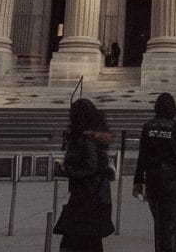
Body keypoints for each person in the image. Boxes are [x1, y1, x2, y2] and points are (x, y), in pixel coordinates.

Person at [133, 92, 176, 252]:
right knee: (171, 226)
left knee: (160, 225)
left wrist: (138, 181)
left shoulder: (148, 127)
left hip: (153, 180)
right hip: (174, 181)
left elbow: (142, 156)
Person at [54, 98, 114, 251]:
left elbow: (90, 167)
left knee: (74, 241)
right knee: (90, 240)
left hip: (87, 197)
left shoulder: (85, 139)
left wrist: (66, 171)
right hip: (97, 195)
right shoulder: (94, 137)